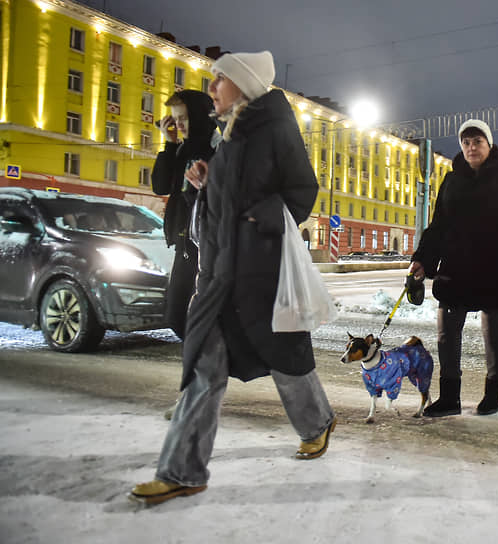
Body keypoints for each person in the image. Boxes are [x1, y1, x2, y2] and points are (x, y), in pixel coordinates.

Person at [131, 51, 336, 505]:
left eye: (218, 80)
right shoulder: (229, 134)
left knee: (284, 357)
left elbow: (302, 191)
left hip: (261, 273)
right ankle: (182, 471)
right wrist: (205, 182)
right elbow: (231, 196)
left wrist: (255, 217)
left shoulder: (275, 127)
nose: (211, 90)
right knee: (203, 368)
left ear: (242, 85)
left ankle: (317, 423)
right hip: (221, 274)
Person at [409, 119, 498, 417]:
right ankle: (449, 399)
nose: (472, 147)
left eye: (477, 142)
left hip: (495, 267)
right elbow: (439, 225)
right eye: (466, 143)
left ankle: (494, 395)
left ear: (489, 144)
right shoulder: (451, 180)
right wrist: (422, 257)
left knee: (494, 331)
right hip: (456, 267)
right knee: (447, 333)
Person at [152, 90, 217, 339]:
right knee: (178, 315)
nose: (178, 124)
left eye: (184, 118)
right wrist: (168, 144)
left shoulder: (217, 149)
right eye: (174, 118)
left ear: (200, 116)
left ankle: (207, 366)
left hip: (207, 247)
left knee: (191, 316)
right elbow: (160, 186)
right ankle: (206, 365)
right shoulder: (184, 150)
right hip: (185, 243)